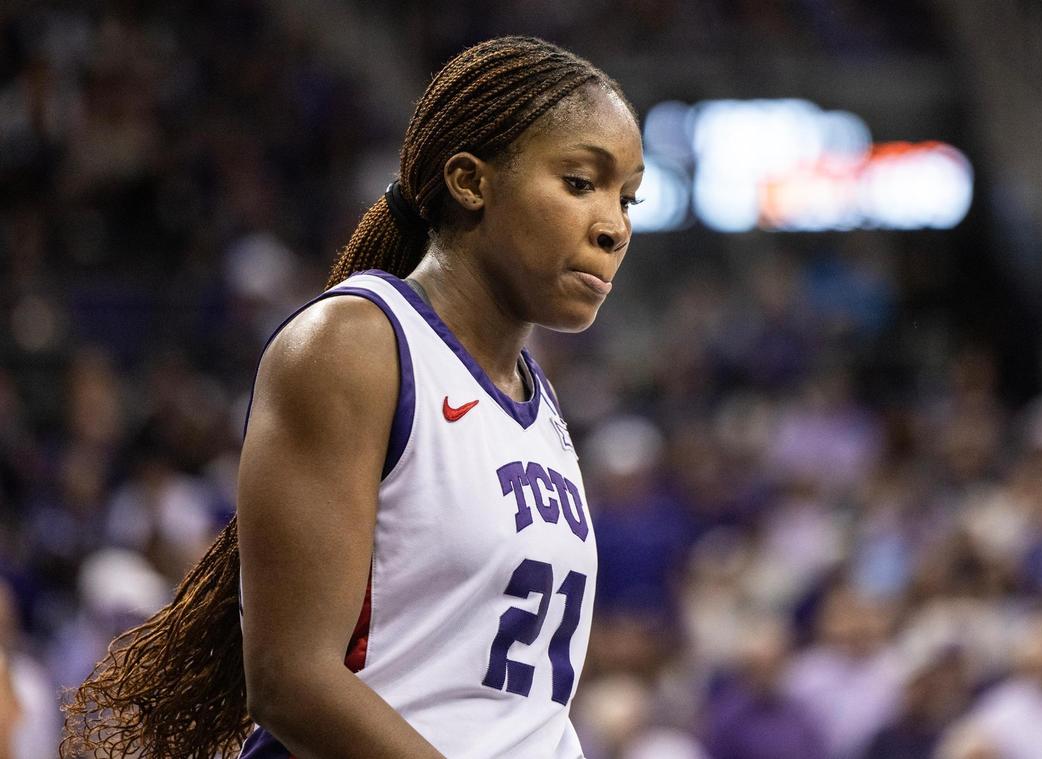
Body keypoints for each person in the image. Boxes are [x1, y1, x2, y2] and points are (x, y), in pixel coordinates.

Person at [61, 35, 644, 759]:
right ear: (470, 181)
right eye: (583, 182)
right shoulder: (356, 344)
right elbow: (289, 678)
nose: (615, 226)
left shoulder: (542, 404)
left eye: (629, 197)